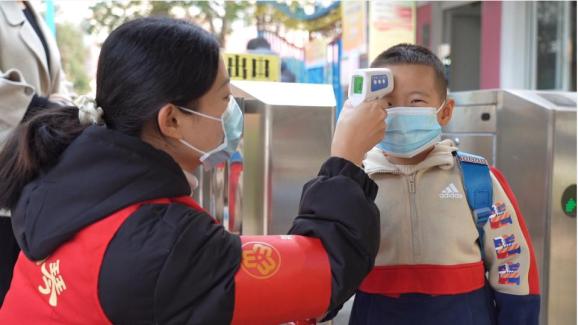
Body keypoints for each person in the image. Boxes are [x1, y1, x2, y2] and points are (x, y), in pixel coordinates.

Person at [0, 17, 387, 324]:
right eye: (224, 97)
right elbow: (322, 271)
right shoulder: (163, 244)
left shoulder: (57, 180)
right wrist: (346, 160)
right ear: (171, 120)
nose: (232, 111)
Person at [350, 44, 540, 325]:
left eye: (415, 101)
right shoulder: (354, 182)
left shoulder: (477, 178)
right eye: (388, 103)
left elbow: (512, 262)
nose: (400, 112)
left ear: (445, 111)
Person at [0, 0, 71, 306]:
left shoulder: (31, 10)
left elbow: (58, 87)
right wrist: (41, 108)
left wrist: (59, 109)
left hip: (29, 172)